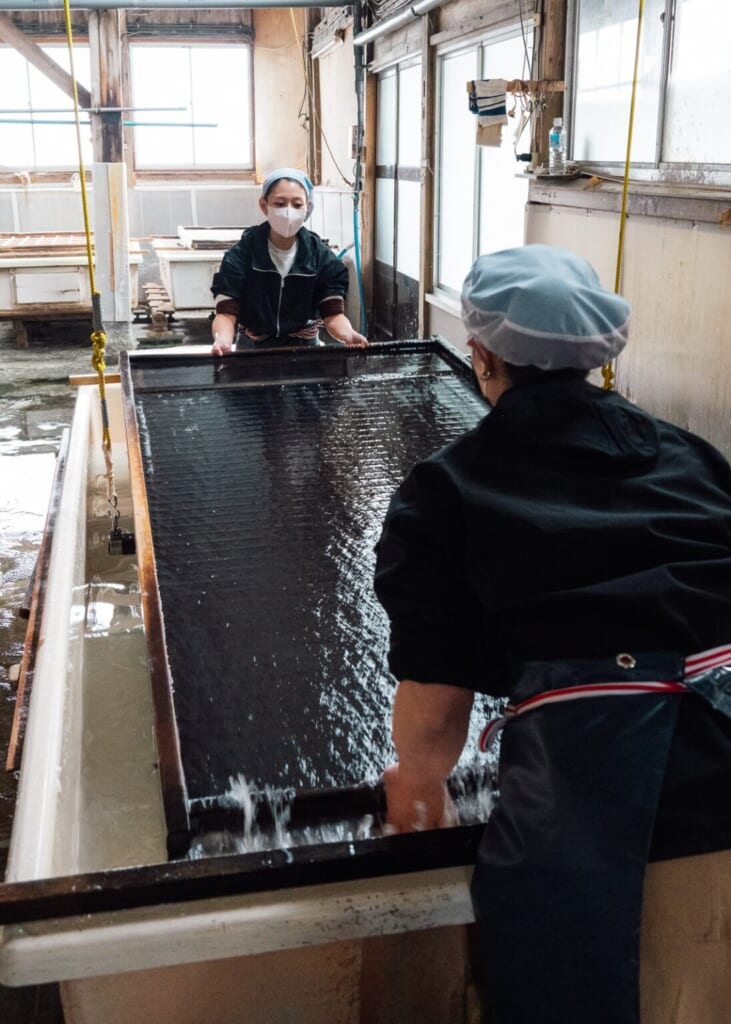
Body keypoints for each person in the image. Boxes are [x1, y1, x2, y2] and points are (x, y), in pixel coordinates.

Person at [373, 244, 731, 1024]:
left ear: (479, 355)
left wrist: (418, 776)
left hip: (613, 792)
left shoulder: (448, 488)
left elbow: (436, 689)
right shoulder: (688, 455)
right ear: (597, 353)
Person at [210, 167, 368, 354]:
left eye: (297, 204)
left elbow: (333, 314)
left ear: (307, 207)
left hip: (305, 351)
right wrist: (223, 341)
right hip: (252, 350)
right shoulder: (241, 254)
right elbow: (226, 313)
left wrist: (348, 335)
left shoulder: (322, 258)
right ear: (264, 205)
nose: (288, 211)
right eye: (280, 203)